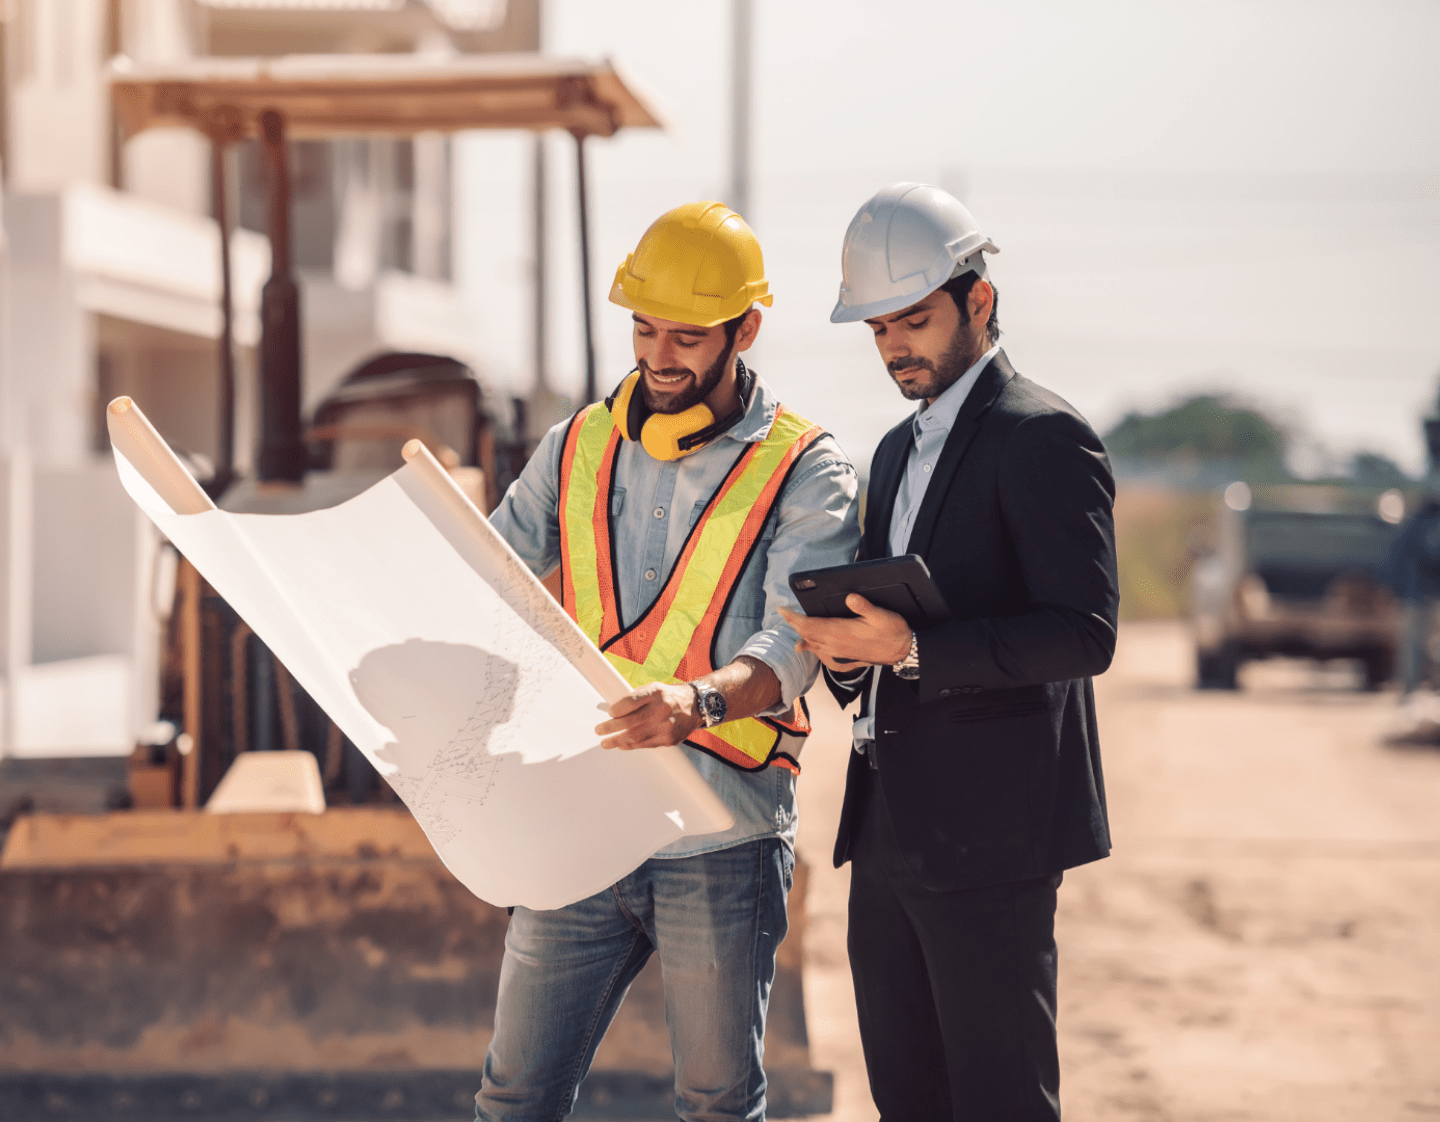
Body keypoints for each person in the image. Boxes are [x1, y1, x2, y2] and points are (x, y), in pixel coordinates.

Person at [476, 201, 860, 1121]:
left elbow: (794, 644)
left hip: (721, 836)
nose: (658, 355)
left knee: (716, 1104)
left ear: (746, 330)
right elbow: (485, 578)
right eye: (645, 329)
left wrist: (697, 702)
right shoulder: (574, 447)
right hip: (583, 819)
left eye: (688, 336)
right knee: (513, 1098)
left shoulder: (805, 470)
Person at [780, 183, 1119, 1120]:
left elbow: (1085, 632)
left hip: (995, 840)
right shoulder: (891, 452)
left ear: (980, 301)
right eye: (879, 327)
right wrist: (851, 655)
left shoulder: (1043, 437)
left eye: (914, 319)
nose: (895, 346)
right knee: (909, 1102)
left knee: (1001, 1102)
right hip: (889, 833)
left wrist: (917, 647)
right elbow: (890, 638)